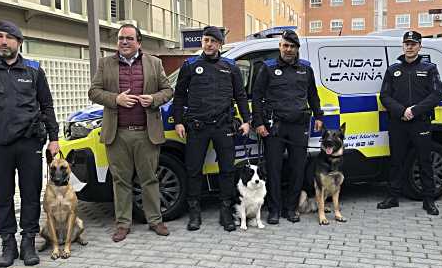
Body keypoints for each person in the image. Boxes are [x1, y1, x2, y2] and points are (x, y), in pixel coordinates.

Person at [0, 20, 59, 268]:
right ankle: (8, 242)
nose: (3, 41)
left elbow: (46, 106)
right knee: (2, 195)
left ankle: (28, 240)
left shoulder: (34, 71)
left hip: (29, 143)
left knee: (30, 194)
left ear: (19, 42)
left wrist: (54, 138)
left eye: (8, 37)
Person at [89, 24, 174, 242]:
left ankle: (155, 220)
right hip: (118, 134)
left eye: (129, 38)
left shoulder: (154, 63)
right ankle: (123, 224)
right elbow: (94, 92)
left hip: (146, 133)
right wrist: (115, 99)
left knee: (149, 179)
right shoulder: (105, 63)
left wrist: (153, 99)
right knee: (121, 181)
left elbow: (168, 90)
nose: (124, 42)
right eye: (120, 38)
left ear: (139, 41)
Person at [173, 26, 250, 232]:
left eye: (213, 41)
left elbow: (240, 96)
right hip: (197, 126)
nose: (208, 44)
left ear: (219, 45)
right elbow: (179, 96)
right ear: (202, 42)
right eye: (206, 40)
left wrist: (246, 120)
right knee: (193, 170)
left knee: (227, 170)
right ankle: (194, 212)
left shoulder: (230, 66)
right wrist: (179, 121)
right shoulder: (190, 66)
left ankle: (225, 211)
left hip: (224, 125)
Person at [252, 29, 323, 224]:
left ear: (297, 48)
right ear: (280, 46)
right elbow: (256, 97)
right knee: (274, 169)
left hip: (299, 126)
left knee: (297, 169)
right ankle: (274, 210)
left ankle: (291, 209)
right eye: (285, 45)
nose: (288, 49)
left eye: (292, 46)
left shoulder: (305, 69)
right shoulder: (267, 68)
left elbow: (313, 95)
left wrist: (318, 115)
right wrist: (258, 122)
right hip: (275, 126)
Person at [377, 30, 442, 215]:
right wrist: (402, 111)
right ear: (403, 46)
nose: (409, 47)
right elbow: (384, 96)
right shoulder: (393, 70)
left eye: (413, 44)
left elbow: (437, 94)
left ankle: (429, 200)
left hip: (420, 122)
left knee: (424, 161)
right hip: (398, 122)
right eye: (407, 43)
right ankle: (393, 197)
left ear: (420, 47)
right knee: (396, 160)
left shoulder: (429, 68)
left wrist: (414, 110)